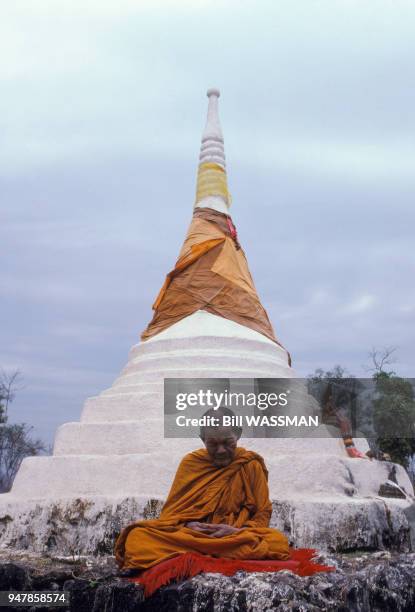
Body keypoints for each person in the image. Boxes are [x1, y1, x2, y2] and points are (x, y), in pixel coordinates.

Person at [114, 407, 290, 576]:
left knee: (277, 541)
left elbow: (262, 513)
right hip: (193, 536)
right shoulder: (191, 463)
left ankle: (208, 551)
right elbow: (170, 515)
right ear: (202, 439)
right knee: (138, 538)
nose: (221, 450)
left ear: (238, 434)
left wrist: (235, 532)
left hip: (233, 537)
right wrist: (187, 525)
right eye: (212, 444)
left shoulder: (250, 464)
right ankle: (217, 552)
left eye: (228, 443)